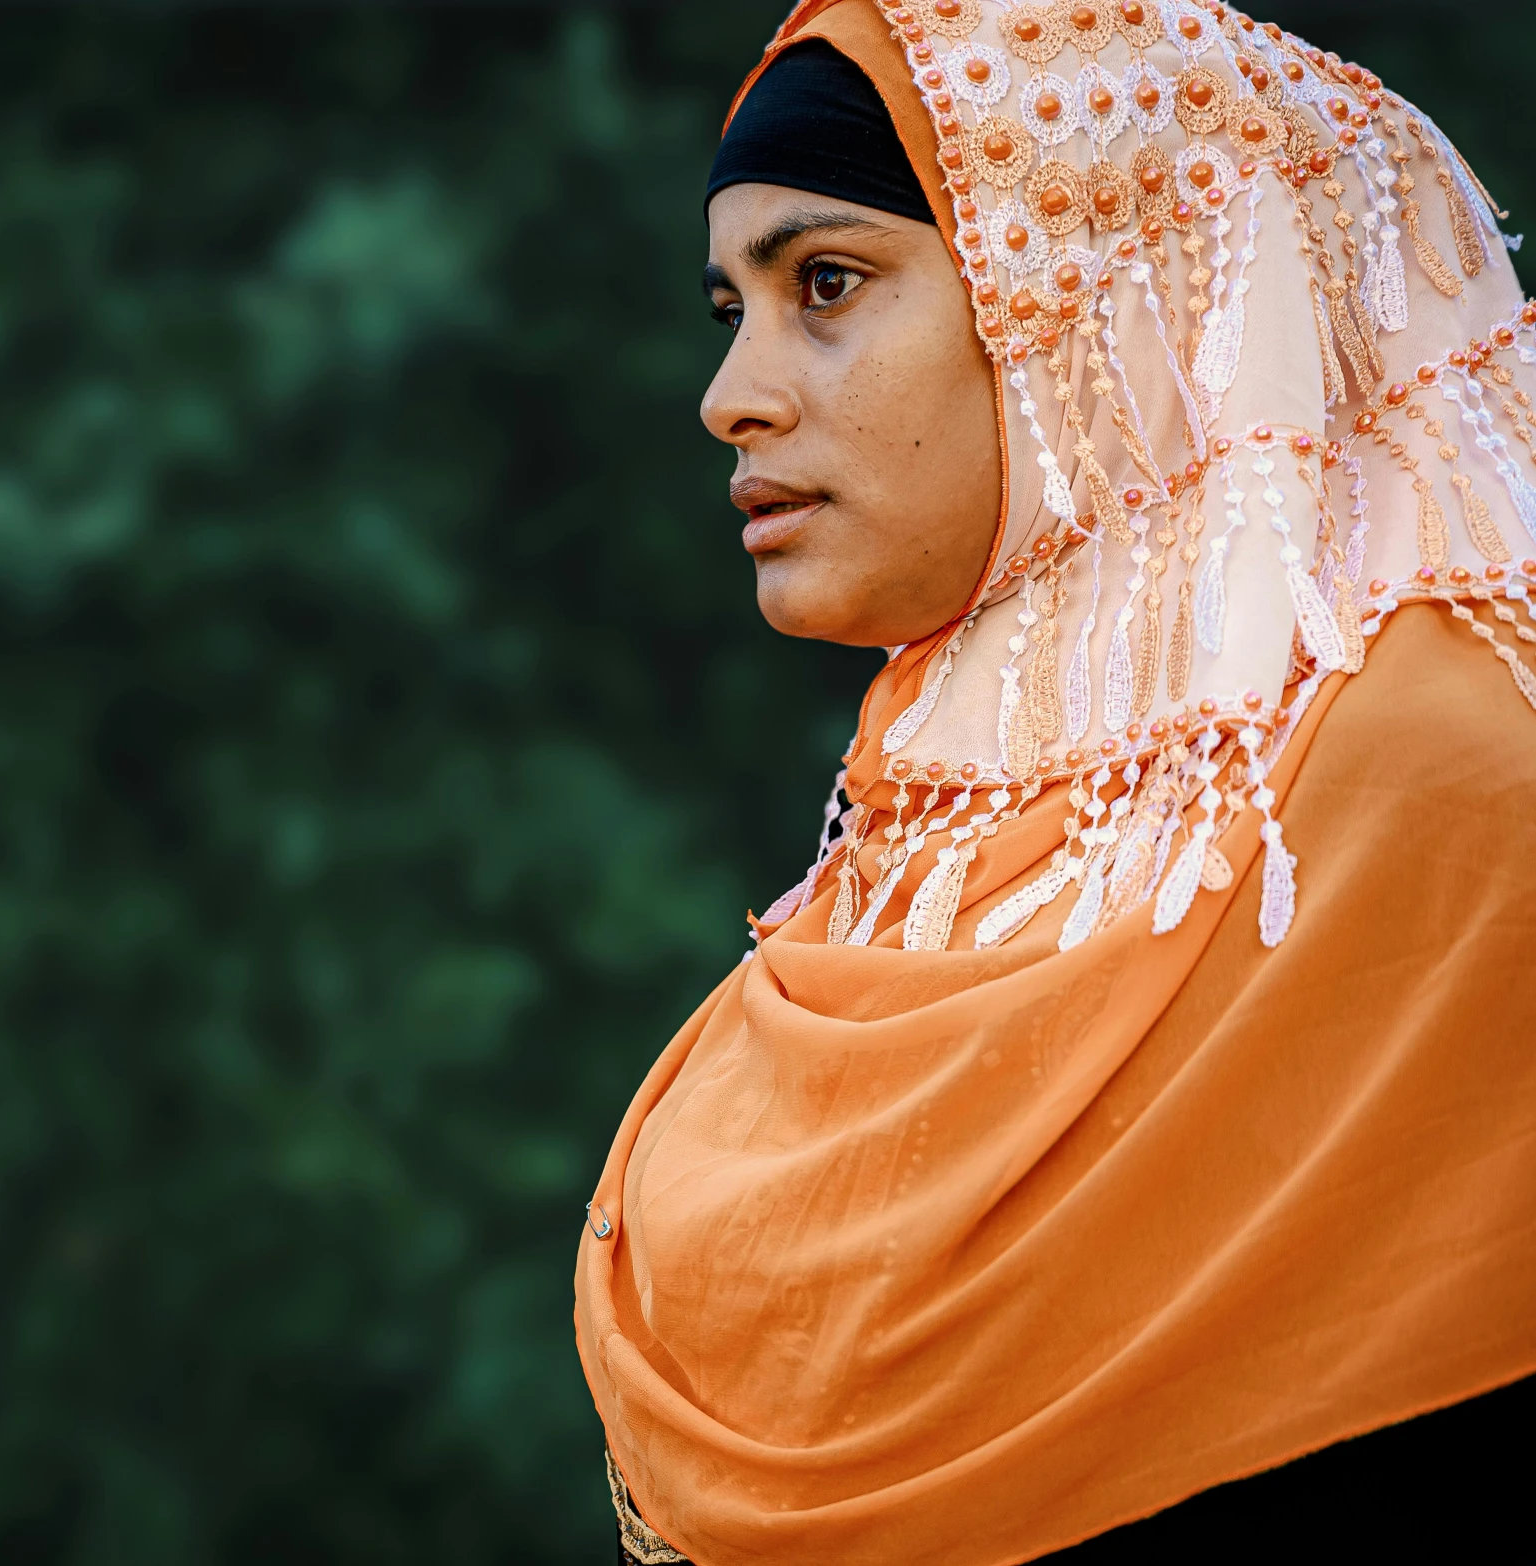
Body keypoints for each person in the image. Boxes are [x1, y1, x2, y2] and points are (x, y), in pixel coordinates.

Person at [575, 2, 1536, 1563]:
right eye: (728, 307)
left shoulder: (1437, 775)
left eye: (826, 284)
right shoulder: (937, 821)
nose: (731, 393)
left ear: (1089, 293)